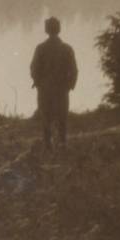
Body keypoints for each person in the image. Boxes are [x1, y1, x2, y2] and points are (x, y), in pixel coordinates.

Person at [30, 17, 78, 150]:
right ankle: (62, 142)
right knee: (62, 115)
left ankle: (47, 144)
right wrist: (70, 85)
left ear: (46, 30)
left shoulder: (40, 48)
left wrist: (38, 82)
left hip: (45, 88)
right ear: (59, 29)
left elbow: (34, 68)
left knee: (46, 115)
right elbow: (74, 70)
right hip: (62, 88)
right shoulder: (67, 48)